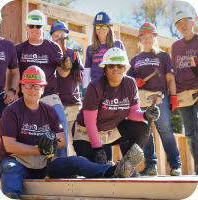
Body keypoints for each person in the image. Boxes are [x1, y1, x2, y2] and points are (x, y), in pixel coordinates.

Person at [0, 66, 144, 199]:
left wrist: (51, 139)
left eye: (37, 86)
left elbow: (61, 141)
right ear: (22, 88)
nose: (32, 90)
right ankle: (11, 196)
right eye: (28, 86)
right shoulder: (11, 111)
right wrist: (39, 149)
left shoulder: (50, 111)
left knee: (78, 162)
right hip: (18, 162)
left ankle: (114, 170)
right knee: (9, 168)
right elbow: (10, 146)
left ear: (43, 89)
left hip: (45, 164)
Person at [73, 47, 160, 170]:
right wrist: (97, 148)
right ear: (105, 68)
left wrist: (146, 115)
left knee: (143, 126)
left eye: (119, 66)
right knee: (96, 171)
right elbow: (90, 122)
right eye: (111, 65)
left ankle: (127, 166)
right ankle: (109, 167)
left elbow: (132, 113)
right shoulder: (95, 86)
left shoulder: (130, 84)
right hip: (85, 134)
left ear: (125, 68)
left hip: (109, 131)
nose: (115, 68)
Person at [127, 22, 182, 176]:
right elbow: (128, 81)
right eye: (144, 37)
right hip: (141, 99)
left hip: (159, 97)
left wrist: (174, 96)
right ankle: (151, 166)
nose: (147, 40)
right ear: (140, 39)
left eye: (150, 37)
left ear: (154, 37)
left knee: (165, 130)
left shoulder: (163, 56)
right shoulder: (135, 59)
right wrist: (135, 81)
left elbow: (170, 78)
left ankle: (175, 165)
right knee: (145, 132)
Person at [15, 10, 70, 157]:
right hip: (26, 96)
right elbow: (13, 74)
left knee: (61, 122)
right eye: (31, 26)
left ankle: (62, 164)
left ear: (43, 28)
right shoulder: (19, 49)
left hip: (49, 95)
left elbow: (63, 74)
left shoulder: (53, 47)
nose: (34, 29)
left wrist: (66, 65)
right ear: (26, 27)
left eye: (38, 26)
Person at [82, 11, 126, 163]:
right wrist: (85, 90)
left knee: (120, 123)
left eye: (104, 26)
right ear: (94, 28)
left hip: (115, 88)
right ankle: (107, 161)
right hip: (97, 90)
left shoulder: (117, 45)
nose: (101, 29)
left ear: (109, 28)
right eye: (98, 26)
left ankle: (126, 162)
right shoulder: (90, 48)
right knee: (102, 125)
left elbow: (123, 67)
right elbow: (87, 71)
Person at [50, 20, 84, 155]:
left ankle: (74, 168)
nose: (59, 37)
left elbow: (81, 77)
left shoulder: (74, 54)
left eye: (62, 34)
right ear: (51, 36)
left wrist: (75, 68)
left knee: (73, 139)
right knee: (58, 139)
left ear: (67, 36)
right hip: (54, 102)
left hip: (72, 102)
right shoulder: (48, 54)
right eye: (56, 35)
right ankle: (59, 167)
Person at [172, 11, 198, 175]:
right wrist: (173, 94)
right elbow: (174, 71)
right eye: (179, 23)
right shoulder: (175, 46)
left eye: (186, 21)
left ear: (193, 22)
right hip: (182, 94)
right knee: (190, 133)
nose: (183, 25)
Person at [0, 8, 20, 177]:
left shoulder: (7, 45)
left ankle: (8, 167)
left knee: (11, 126)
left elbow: (14, 71)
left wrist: (12, 91)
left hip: (0, 95)